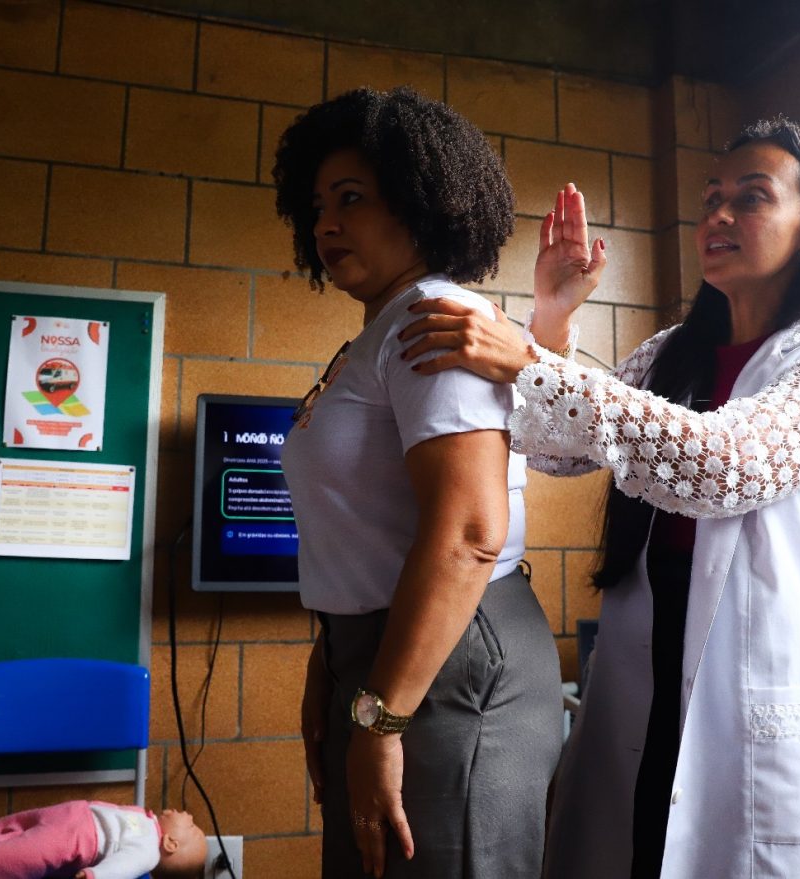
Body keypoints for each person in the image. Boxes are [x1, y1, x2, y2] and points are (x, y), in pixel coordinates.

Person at [399, 118, 800, 878]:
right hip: (642, 675)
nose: (719, 215)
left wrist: (527, 360)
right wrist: (552, 317)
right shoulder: (671, 353)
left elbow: (726, 466)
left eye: (751, 197)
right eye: (712, 198)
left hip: (753, 696)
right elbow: (554, 447)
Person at [272, 87, 563, 879]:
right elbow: (365, 534)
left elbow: (469, 534)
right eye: (318, 206)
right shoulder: (376, 335)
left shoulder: (432, 317)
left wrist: (378, 717)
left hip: (451, 660)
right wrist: (333, 662)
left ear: (420, 199)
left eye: (352, 198)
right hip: (384, 659)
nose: (326, 224)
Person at [0, 802, 206, 879]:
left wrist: (96, 876)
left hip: (72, 840)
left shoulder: (148, 850)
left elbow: (124, 866)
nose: (188, 814)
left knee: (1, 857)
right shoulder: (146, 819)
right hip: (67, 816)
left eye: (191, 826)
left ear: (171, 844)